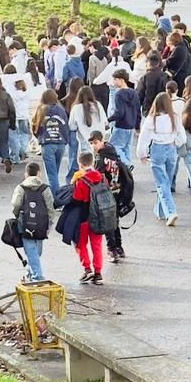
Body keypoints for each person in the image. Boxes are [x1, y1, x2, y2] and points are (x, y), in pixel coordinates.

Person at [137, 90, 185, 225]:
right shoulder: (174, 117)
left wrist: (142, 154)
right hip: (171, 149)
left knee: (161, 182)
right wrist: (176, 142)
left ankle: (170, 211)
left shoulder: (151, 118)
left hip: (157, 148)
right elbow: (182, 136)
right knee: (166, 182)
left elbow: (144, 138)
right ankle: (160, 211)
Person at [88, 129, 133, 262]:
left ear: (102, 141)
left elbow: (97, 178)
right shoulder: (113, 152)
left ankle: (112, 249)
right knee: (115, 221)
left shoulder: (100, 159)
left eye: (95, 143)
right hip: (118, 191)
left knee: (107, 222)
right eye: (91, 144)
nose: (93, 146)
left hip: (107, 195)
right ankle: (119, 247)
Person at [10, 162, 55, 283]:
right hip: (42, 224)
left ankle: (37, 276)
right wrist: (50, 222)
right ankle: (31, 274)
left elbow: (15, 204)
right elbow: (50, 206)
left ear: (26, 174)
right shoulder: (45, 188)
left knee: (30, 250)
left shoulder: (21, 187)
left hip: (26, 223)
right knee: (36, 251)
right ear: (39, 173)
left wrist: (16, 215)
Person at [71, 149, 107, 284]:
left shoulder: (80, 181)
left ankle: (87, 269)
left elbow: (76, 199)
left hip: (83, 218)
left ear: (80, 164)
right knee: (96, 245)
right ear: (93, 162)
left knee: (80, 244)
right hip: (99, 217)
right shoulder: (102, 178)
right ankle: (98, 272)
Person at [32, 89, 70, 192]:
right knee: (55, 172)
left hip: (47, 143)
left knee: (51, 174)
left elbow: (34, 126)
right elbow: (66, 126)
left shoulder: (41, 109)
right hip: (60, 143)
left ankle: (55, 198)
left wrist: (39, 137)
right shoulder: (61, 110)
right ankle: (56, 192)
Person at [107, 68, 141, 167]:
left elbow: (119, 112)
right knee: (126, 148)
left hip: (121, 125)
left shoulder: (119, 94)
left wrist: (108, 120)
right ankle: (127, 172)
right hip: (131, 126)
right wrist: (137, 126)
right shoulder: (134, 93)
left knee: (115, 147)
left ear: (121, 80)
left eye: (115, 79)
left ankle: (127, 164)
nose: (114, 82)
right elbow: (138, 111)